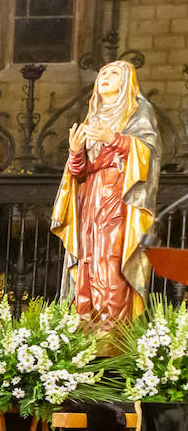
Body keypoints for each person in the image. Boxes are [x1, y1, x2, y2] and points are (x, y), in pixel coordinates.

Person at [53, 59, 161, 325]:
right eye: (102, 72)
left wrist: (113, 138)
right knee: (87, 263)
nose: (105, 76)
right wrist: (76, 151)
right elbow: (79, 174)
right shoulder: (93, 118)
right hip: (89, 200)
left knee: (111, 262)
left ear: (127, 81)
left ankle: (113, 336)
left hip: (119, 199)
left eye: (113, 73)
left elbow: (150, 153)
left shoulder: (139, 110)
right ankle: (85, 331)